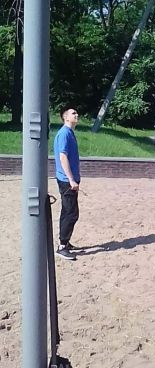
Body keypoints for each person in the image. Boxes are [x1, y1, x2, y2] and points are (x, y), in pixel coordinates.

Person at [53, 106, 81, 261]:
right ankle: (62, 246)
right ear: (65, 117)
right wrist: (71, 179)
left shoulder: (70, 133)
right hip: (66, 181)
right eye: (73, 113)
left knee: (69, 212)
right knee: (70, 213)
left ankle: (66, 242)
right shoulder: (64, 133)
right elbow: (63, 157)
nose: (76, 115)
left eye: (76, 113)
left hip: (70, 180)